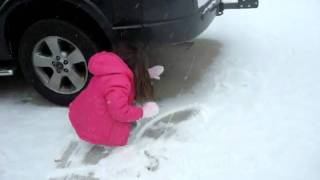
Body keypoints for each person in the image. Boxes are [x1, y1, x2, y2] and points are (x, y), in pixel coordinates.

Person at [68, 42, 164, 147]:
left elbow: (127, 77)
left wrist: (145, 75)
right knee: (126, 124)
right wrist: (143, 112)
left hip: (82, 119)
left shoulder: (110, 70)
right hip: (94, 131)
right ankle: (105, 137)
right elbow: (120, 113)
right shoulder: (119, 83)